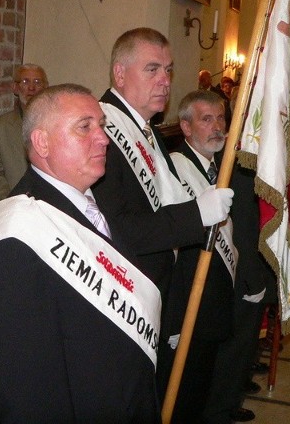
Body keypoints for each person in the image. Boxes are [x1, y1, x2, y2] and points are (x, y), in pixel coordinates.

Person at [0, 84, 161, 423]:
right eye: (84, 126)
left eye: (102, 125)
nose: (103, 138)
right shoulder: (17, 236)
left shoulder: (94, 199)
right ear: (42, 142)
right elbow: (24, 385)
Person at [91, 27, 234, 398]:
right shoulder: (104, 131)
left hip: (156, 289)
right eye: (151, 70)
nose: (165, 81)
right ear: (120, 74)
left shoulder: (146, 130)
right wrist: (195, 215)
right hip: (125, 295)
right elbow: (118, 230)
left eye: (168, 70)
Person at [161, 90, 236, 422]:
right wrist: (174, 320)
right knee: (179, 400)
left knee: (199, 396)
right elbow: (173, 254)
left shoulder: (221, 167)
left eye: (220, 118)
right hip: (186, 309)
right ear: (186, 127)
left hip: (212, 307)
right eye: (206, 119)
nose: (217, 126)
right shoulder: (174, 171)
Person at [0, 63, 48, 202]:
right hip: (15, 205)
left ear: (45, 88)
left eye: (37, 82)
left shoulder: (57, 124)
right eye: (25, 82)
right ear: (15, 87)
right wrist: (9, 203)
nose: (31, 88)